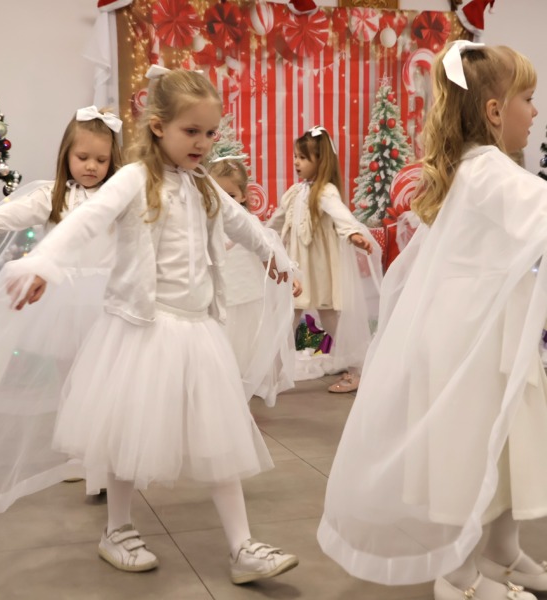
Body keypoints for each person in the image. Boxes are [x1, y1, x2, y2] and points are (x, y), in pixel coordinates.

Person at [2, 67, 299, 584]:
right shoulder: (134, 179)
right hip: (142, 328)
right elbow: (84, 222)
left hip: (197, 330)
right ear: (159, 127)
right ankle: (117, 529)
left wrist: (275, 257)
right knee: (126, 434)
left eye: (210, 132)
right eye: (192, 131)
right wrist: (43, 263)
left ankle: (241, 546)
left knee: (219, 438)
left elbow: (244, 223)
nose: (203, 143)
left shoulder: (204, 185)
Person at [317, 41, 547, 600]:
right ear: (494, 111)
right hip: (472, 343)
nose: (535, 111)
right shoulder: (490, 172)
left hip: (482, 335)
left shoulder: (476, 170)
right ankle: (458, 575)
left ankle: (502, 552)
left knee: (502, 445)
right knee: (469, 454)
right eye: (527, 98)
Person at [0, 106, 122, 510]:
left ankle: (103, 462)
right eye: (83, 157)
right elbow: (15, 212)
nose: (91, 166)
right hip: (63, 297)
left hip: (107, 300)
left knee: (101, 381)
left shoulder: (117, 197)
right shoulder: (53, 195)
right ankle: (79, 452)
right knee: (69, 383)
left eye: (101, 159)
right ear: (66, 155)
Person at [266, 125, 381, 393]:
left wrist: (353, 233)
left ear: (320, 161)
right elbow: (276, 221)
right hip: (298, 270)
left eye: (303, 157)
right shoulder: (295, 193)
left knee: (330, 320)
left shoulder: (325, 192)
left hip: (320, 271)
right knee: (287, 319)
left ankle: (359, 368)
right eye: (296, 156)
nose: (296, 162)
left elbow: (341, 214)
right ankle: (270, 374)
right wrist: (259, 237)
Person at [208, 155, 299, 406]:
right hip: (221, 298)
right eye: (219, 195)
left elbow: (270, 246)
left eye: (231, 195)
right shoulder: (207, 224)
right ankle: (221, 393)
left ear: (243, 195)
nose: (226, 202)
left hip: (248, 297)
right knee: (220, 348)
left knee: (245, 349)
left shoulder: (248, 223)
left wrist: (289, 272)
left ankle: (239, 396)